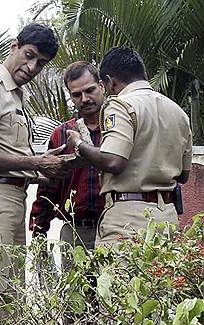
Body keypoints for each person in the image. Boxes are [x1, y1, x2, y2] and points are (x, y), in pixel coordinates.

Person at [0, 23, 69, 308]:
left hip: (11, 202)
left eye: (41, 63)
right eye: (29, 55)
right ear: (14, 46)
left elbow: (9, 155)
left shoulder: (17, 96)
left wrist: (41, 169)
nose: (32, 66)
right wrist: (35, 162)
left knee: (8, 300)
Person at [67, 46, 192, 247]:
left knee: (121, 278)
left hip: (127, 219)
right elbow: (184, 176)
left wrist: (79, 144)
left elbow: (114, 161)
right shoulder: (177, 112)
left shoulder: (120, 105)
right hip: (167, 217)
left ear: (110, 81)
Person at [30, 61, 106, 259]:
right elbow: (48, 186)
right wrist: (39, 231)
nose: (85, 99)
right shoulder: (61, 133)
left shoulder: (118, 128)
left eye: (90, 90)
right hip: (74, 231)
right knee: (74, 290)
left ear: (102, 86)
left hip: (114, 227)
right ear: (71, 97)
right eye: (77, 94)